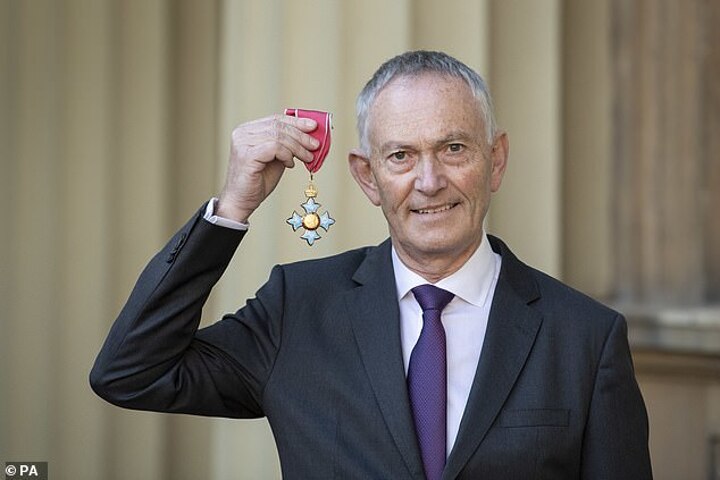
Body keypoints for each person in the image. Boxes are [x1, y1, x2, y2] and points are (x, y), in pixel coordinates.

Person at [90, 50, 652, 479]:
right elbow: (130, 373)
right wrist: (232, 208)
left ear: (495, 160)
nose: (429, 181)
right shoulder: (297, 309)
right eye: (401, 155)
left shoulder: (586, 338)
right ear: (367, 177)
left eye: (454, 149)